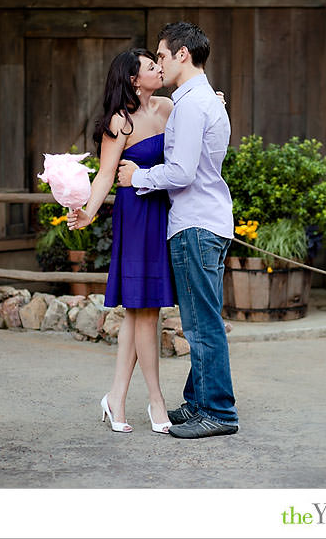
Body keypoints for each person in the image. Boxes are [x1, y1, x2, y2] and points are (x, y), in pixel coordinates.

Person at [117, 22, 239, 439]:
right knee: (203, 319)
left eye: (163, 55)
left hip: (195, 224)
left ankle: (219, 412)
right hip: (210, 221)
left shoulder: (190, 105)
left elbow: (183, 172)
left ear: (182, 55)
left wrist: (137, 177)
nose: (160, 62)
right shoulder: (208, 100)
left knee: (202, 325)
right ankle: (197, 401)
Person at [68, 48, 175, 434]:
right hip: (136, 216)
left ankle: (116, 398)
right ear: (133, 79)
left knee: (139, 310)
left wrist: (214, 104)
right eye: (151, 66)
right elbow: (104, 175)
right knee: (144, 309)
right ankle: (156, 401)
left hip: (163, 210)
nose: (158, 69)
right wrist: (88, 212)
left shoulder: (166, 108)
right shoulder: (120, 122)